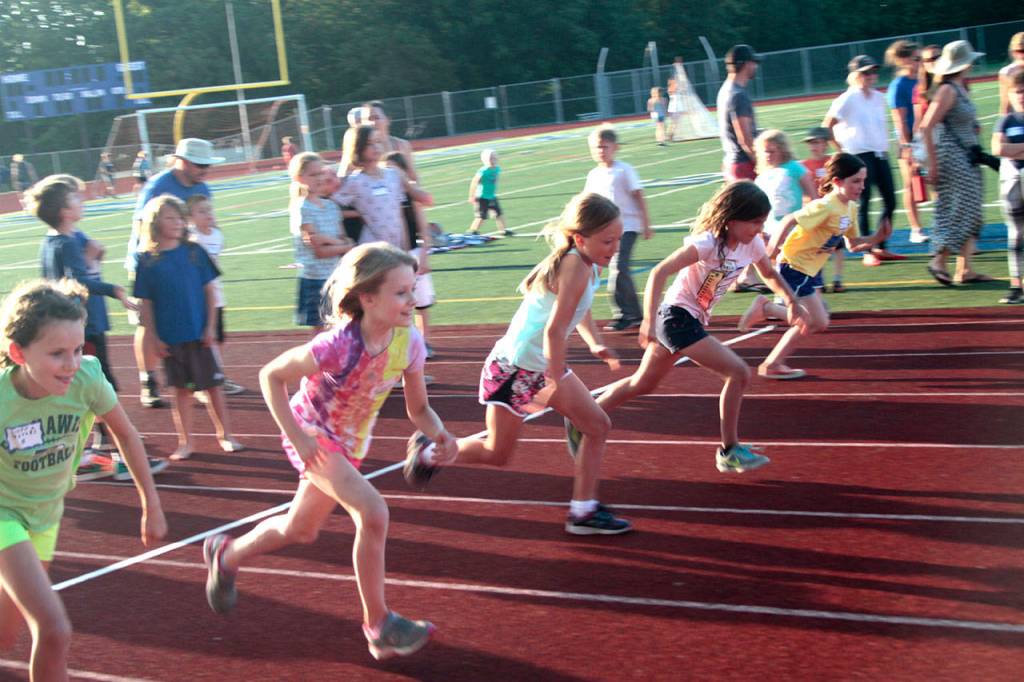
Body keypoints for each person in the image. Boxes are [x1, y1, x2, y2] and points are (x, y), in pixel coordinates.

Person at [202, 243, 451, 660]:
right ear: (367, 297)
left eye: (414, 289)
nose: (412, 300)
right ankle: (379, 625)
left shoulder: (409, 344)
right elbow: (271, 376)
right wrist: (298, 438)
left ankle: (227, 555)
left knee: (300, 530)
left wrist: (441, 434)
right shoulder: (336, 345)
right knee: (373, 513)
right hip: (313, 433)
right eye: (401, 292)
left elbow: (419, 408)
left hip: (350, 443)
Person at [403, 193, 633, 536]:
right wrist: (556, 377)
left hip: (536, 368)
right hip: (516, 370)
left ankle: (583, 511)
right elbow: (555, 330)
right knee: (499, 452)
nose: (614, 247)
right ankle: (431, 451)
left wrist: (595, 342)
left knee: (593, 426)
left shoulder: (586, 263)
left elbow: (577, 310)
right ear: (581, 238)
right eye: (608, 240)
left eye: (618, 239)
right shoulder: (575, 265)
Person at [0, 279, 167, 681]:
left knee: (4, 637)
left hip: (45, 513)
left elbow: (126, 434)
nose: (71, 364)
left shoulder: (87, 379)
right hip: (4, 514)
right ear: (18, 352)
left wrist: (152, 504)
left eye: (77, 350)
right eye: (57, 354)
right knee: (54, 629)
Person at [580, 182, 804, 473]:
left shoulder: (753, 244)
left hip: (691, 320)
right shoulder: (707, 243)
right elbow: (659, 272)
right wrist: (648, 320)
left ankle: (582, 417)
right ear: (732, 219)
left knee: (643, 383)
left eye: (762, 222)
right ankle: (729, 450)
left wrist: (790, 299)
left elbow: (769, 273)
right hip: (676, 317)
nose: (760, 228)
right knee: (737, 372)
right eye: (754, 222)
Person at [29, 174, 168, 481]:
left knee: (86, 387)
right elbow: (79, 281)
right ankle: (119, 458)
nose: (82, 201)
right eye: (74, 199)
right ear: (65, 211)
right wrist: (115, 290)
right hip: (82, 327)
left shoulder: (54, 241)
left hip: (69, 326)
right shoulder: (66, 243)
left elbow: (84, 254)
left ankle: (97, 446)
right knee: (100, 387)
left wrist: (93, 251)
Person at [747, 153, 892, 379]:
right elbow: (790, 219)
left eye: (863, 181)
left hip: (810, 269)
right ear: (837, 182)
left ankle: (767, 311)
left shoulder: (850, 208)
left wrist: (876, 237)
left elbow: (852, 245)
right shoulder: (826, 206)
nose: (861, 186)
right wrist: (772, 249)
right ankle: (772, 362)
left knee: (817, 321)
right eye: (855, 181)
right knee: (813, 321)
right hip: (795, 264)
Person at [133, 195, 244, 461]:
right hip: (170, 339)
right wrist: (154, 338)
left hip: (198, 335)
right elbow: (146, 305)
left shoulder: (195, 253)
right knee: (181, 392)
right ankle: (186, 442)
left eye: (180, 218)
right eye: (170, 218)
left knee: (213, 387)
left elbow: (209, 292)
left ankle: (225, 435)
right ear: (155, 223)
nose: (177, 223)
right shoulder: (147, 261)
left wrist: (209, 327)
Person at [126, 138, 224, 409]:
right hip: (151, 261)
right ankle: (148, 379)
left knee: (197, 314)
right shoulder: (158, 186)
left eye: (207, 164)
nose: (205, 169)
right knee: (147, 322)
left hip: (186, 262)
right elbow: (141, 225)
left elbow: (204, 222)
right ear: (181, 160)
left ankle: (202, 376)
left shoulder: (202, 187)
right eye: (199, 164)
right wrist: (147, 261)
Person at [919, 40, 990, 286]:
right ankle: (938, 261)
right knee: (958, 209)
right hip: (953, 157)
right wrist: (933, 164)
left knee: (972, 209)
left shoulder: (959, 88)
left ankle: (965, 268)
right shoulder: (948, 90)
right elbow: (926, 126)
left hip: (967, 156)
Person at [823, 55, 902, 267]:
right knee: (864, 203)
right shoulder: (847, 98)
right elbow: (827, 125)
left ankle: (881, 245)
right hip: (859, 156)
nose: (871, 76)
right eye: (866, 72)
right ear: (855, 75)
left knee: (891, 201)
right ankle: (866, 251)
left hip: (880, 154)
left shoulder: (878, 97)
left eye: (874, 72)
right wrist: (841, 153)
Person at [584, 125, 652, 331]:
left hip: (627, 227)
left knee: (619, 267)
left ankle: (625, 314)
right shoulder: (594, 174)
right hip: (604, 231)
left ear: (615, 147)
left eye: (605, 146)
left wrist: (646, 223)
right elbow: (587, 200)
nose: (600, 151)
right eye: (596, 147)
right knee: (614, 269)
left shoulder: (624, 170)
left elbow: (638, 195)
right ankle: (635, 315)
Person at [187, 195, 246, 396]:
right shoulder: (191, 240)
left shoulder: (217, 236)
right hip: (198, 298)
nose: (207, 215)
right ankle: (204, 380)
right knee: (204, 338)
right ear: (190, 217)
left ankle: (217, 374)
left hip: (217, 295)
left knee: (219, 337)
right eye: (201, 211)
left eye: (209, 210)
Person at [289, 152, 351, 330]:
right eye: (313, 174)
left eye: (321, 173)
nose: (319, 178)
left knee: (340, 326)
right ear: (299, 178)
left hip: (336, 276)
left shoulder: (331, 206)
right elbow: (318, 249)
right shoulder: (302, 207)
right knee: (321, 331)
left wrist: (332, 242)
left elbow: (342, 237)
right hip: (315, 278)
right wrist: (343, 246)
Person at [385, 151, 437, 365]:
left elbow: (424, 230)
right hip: (391, 255)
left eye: (393, 169)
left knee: (421, 303)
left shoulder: (411, 196)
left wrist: (423, 257)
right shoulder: (382, 194)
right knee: (396, 303)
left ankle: (423, 342)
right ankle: (401, 344)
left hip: (413, 253)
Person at [885, 40, 929, 244]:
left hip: (928, 136)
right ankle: (916, 229)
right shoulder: (898, 86)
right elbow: (900, 120)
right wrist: (907, 146)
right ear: (903, 60)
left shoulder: (923, 80)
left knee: (937, 182)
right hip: (911, 141)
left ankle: (942, 223)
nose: (919, 62)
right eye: (915, 58)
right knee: (911, 184)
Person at [800, 127, 845, 291]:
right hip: (814, 213)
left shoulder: (833, 162)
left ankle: (838, 279)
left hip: (832, 212)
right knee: (817, 248)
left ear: (825, 144)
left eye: (817, 142)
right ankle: (820, 280)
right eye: (810, 143)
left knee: (837, 246)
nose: (813, 147)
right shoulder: (803, 165)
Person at [993, 69, 1024, 304]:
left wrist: (1015, 148)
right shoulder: (1007, 120)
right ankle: (1016, 284)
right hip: (1011, 180)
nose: (1021, 95)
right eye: (1017, 91)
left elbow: (1008, 149)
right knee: (1015, 233)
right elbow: (999, 149)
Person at [716, 44, 761, 182]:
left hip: (732, 163)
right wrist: (762, 165)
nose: (756, 66)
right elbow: (745, 139)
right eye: (754, 62)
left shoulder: (725, 90)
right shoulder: (738, 95)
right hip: (743, 166)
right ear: (746, 64)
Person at [467, 149, 510, 236]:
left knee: (499, 213)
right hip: (481, 197)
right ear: (485, 160)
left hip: (491, 196)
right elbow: (474, 182)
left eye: (494, 158)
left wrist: (493, 191)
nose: (493, 161)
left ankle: (503, 230)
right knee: (481, 216)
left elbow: (495, 180)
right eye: (491, 159)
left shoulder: (497, 169)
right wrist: (472, 196)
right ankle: (472, 231)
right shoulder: (483, 171)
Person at [998, 33, 1024, 116]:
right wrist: (1002, 124)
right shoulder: (1006, 72)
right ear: (1012, 52)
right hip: (1019, 121)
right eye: (1018, 51)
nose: (1021, 55)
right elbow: (1005, 104)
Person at [666, 57, 687, 142]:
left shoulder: (672, 88)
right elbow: (681, 85)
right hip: (675, 106)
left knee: (675, 122)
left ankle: (671, 135)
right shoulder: (672, 88)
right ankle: (670, 136)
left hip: (675, 106)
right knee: (674, 122)